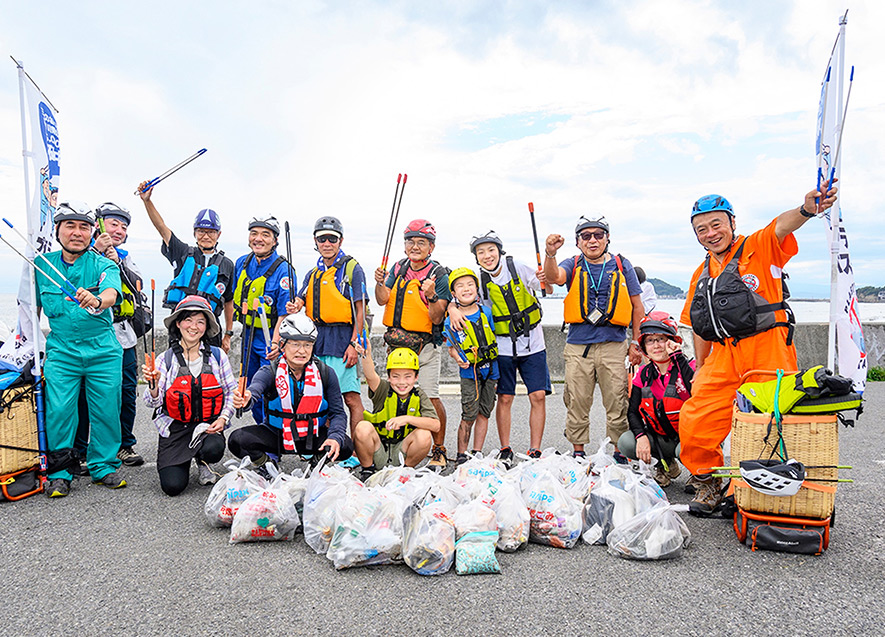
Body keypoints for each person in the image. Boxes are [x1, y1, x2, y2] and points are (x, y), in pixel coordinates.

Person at [679, 183, 838, 515]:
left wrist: (806, 209)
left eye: (716, 224)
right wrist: (701, 368)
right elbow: (698, 326)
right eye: (702, 229)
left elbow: (782, 225)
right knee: (695, 422)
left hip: (767, 350)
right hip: (722, 355)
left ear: (732, 223)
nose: (710, 233)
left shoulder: (759, 246)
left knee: (764, 426)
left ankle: (747, 491)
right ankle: (708, 481)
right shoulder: (700, 274)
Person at [36, 202, 126, 497]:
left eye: (84, 227)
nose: (77, 233)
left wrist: (97, 300)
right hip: (62, 350)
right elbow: (30, 308)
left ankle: (103, 466)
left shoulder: (104, 264)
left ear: (92, 232)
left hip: (102, 349)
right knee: (60, 410)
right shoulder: (41, 265)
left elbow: (111, 292)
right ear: (57, 230)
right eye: (70, 226)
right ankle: (60, 472)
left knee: (106, 408)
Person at [544, 216, 644, 460]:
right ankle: (578, 452)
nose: (592, 240)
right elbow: (554, 277)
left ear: (607, 238)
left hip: (614, 344)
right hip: (579, 346)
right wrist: (550, 254)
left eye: (598, 235)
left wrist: (636, 342)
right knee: (577, 399)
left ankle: (619, 451)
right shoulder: (573, 263)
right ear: (578, 241)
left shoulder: (621, 264)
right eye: (586, 236)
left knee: (617, 400)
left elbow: (637, 306)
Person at [449, 231, 549, 465]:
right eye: (481, 252)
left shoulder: (517, 266)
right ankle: (505, 448)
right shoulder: (479, 279)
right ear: (476, 257)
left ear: (499, 250)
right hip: (502, 347)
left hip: (533, 342)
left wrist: (548, 270)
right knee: (504, 397)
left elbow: (547, 287)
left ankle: (535, 449)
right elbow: (463, 298)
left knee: (538, 396)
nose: (487, 256)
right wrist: (452, 308)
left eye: (491, 250)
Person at [229, 314, 353, 475]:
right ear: (283, 345)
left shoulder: (326, 373)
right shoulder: (270, 371)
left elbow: (338, 413)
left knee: (345, 445)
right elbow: (255, 390)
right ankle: (268, 466)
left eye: (307, 345)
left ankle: (316, 464)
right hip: (277, 434)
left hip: (313, 435)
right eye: (295, 344)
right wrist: (246, 399)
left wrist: (334, 437)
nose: (302, 351)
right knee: (237, 440)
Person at [74, 203, 146, 469]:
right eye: (113, 224)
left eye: (123, 227)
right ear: (99, 226)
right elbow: (76, 282)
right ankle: (81, 449)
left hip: (123, 334)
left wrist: (117, 262)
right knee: (86, 393)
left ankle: (125, 444)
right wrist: (96, 251)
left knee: (127, 391)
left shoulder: (125, 257)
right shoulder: (82, 255)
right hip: (92, 335)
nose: (118, 230)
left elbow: (136, 287)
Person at [374, 219, 450, 467]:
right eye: (410, 241)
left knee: (430, 397)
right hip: (397, 346)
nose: (415, 247)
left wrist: (432, 296)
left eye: (421, 242)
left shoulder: (439, 275)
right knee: (391, 396)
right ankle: (391, 444)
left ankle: (438, 449)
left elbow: (437, 317)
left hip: (425, 347)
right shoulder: (398, 268)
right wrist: (379, 282)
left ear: (431, 247)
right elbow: (382, 299)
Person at [141, 296, 236, 496]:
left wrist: (223, 418)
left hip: (206, 427)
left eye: (200, 321)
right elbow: (152, 402)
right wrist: (154, 385)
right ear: (178, 323)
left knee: (214, 448)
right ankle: (182, 460)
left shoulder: (218, 356)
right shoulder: (165, 359)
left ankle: (203, 461)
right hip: (175, 428)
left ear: (206, 326)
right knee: (172, 487)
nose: (194, 327)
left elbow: (231, 392)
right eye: (188, 320)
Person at [283, 216, 368, 432]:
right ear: (316, 241)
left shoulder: (352, 269)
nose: (327, 243)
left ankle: (359, 445)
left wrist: (354, 344)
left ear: (340, 241)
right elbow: (301, 298)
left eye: (332, 238)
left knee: (350, 397)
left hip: (342, 339)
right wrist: (295, 305)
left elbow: (361, 310)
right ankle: (327, 442)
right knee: (321, 396)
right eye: (322, 239)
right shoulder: (313, 273)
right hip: (318, 341)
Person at [136, 182, 235, 351]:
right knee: (178, 364)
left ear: (218, 234)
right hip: (181, 324)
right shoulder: (182, 252)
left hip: (210, 327)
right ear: (194, 232)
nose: (206, 236)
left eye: (211, 232)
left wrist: (228, 334)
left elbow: (228, 301)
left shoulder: (227, 264)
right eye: (201, 231)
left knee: (210, 366)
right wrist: (147, 201)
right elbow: (161, 227)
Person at [618, 313, 694, 487]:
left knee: (684, 450)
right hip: (664, 437)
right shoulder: (643, 375)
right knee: (627, 442)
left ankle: (703, 475)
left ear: (672, 341)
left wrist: (678, 356)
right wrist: (641, 436)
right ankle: (664, 463)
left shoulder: (689, 366)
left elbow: (695, 392)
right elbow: (633, 412)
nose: (656, 345)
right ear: (644, 347)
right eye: (650, 341)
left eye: (661, 339)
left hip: (692, 437)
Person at [232, 215, 292, 425]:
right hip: (247, 335)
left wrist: (276, 343)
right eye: (254, 233)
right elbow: (233, 299)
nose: (258, 239)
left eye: (265, 235)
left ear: (275, 240)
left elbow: (284, 313)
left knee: (271, 387)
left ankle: (275, 432)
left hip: (270, 337)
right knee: (249, 387)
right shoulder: (242, 263)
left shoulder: (284, 269)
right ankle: (260, 429)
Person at [351, 343, 440, 481]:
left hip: (402, 452)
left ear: (416, 377)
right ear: (389, 377)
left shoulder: (419, 395)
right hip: (379, 450)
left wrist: (406, 419)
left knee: (424, 434)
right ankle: (368, 471)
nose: (402, 382)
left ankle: (405, 472)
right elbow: (370, 375)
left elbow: (436, 425)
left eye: (408, 376)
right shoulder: (383, 389)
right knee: (362, 427)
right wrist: (366, 354)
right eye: (396, 376)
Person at [443, 267, 499, 464]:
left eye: (470, 285)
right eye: (460, 286)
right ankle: (461, 454)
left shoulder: (486, 312)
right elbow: (451, 347)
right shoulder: (451, 320)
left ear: (477, 288)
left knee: (485, 412)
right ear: (453, 293)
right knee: (469, 415)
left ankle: (477, 452)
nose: (466, 289)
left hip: (491, 370)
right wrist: (457, 358)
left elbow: (493, 337)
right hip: (469, 374)